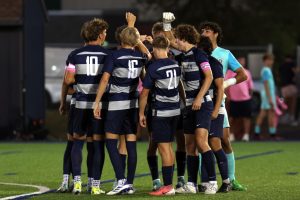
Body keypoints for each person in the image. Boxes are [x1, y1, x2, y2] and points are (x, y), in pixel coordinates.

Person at [93, 12, 151, 195]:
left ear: (120, 39)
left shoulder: (114, 56)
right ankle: (130, 184)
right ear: (134, 40)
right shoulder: (141, 58)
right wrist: (135, 31)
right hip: (133, 104)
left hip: (117, 103)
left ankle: (121, 180)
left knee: (111, 142)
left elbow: (104, 80)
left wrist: (96, 102)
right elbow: (147, 58)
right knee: (131, 143)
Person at [163, 15, 218, 194]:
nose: (175, 41)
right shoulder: (183, 56)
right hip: (188, 105)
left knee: (202, 142)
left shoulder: (199, 54)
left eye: (178, 38)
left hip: (202, 104)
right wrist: (166, 23)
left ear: (184, 39)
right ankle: (192, 184)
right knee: (190, 146)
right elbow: (168, 40)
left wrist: (198, 98)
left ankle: (212, 182)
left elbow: (209, 77)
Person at [199, 21, 248, 191]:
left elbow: (242, 75)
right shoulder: (198, 52)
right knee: (201, 141)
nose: (204, 33)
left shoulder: (224, 54)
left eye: (208, 30)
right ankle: (204, 181)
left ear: (216, 34)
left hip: (218, 102)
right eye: (202, 31)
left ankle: (231, 179)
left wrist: (225, 84)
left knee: (225, 140)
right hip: (202, 102)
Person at [64, 18, 109, 195]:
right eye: (105, 32)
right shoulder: (107, 55)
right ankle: (94, 185)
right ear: (99, 35)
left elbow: (68, 80)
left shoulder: (75, 54)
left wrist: (81, 80)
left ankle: (76, 183)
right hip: (98, 106)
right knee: (96, 145)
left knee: (77, 142)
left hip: (80, 104)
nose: (105, 35)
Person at [143, 22, 186, 192]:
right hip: (160, 108)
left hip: (166, 109)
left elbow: (179, 83)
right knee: (156, 145)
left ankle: (175, 180)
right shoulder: (150, 58)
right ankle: (157, 179)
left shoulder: (172, 58)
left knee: (172, 144)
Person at [198, 36, 231, 193]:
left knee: (215, 143)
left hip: (214, 107)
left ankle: (226, 180)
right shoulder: (200, 62)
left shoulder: (213, 63)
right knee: (203, 144)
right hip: (205, 107)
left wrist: (216, 109)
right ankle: (205, 181)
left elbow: (220, 88)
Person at [226, 56, 254, 141]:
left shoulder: (247, 72)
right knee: (232, 118)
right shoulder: (230, 72)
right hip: (234, 100)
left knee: (246, 117)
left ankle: (246, 135)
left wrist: (249, 96)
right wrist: (228, 96)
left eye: (243, 60)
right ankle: (231, 135)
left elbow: (250, 86)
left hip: (245, 99)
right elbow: (226, 85)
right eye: (240, 60)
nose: (242, 62)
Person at [56, 82, 76, 192]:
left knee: (94, 145)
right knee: (73, 143)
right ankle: (68, 181)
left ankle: (72, 181)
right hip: (80, 105)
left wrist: (63, 103)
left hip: (92, 106)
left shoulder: (73, 63)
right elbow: (67, 87)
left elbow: (66, 84)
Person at [254, 54, 277, 139]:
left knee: (263, 113)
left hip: (268, 94)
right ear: (264, 61)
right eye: (269, 60)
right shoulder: (266, 70)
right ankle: (272, 134)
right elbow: (266, 84)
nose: (271, 62)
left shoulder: (267, 70)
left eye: (272, 60)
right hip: (268, 95)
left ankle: (257, 132)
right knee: (270, 113)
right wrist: (270, 98)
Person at [279, 55, 298, 126]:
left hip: (283, 86)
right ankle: (291, 117)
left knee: (284, 102)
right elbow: (295, 71)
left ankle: (283, 117)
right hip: (291, 85)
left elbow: (279, 75)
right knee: (293, 102)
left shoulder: (281, 66)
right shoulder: (291, 64)